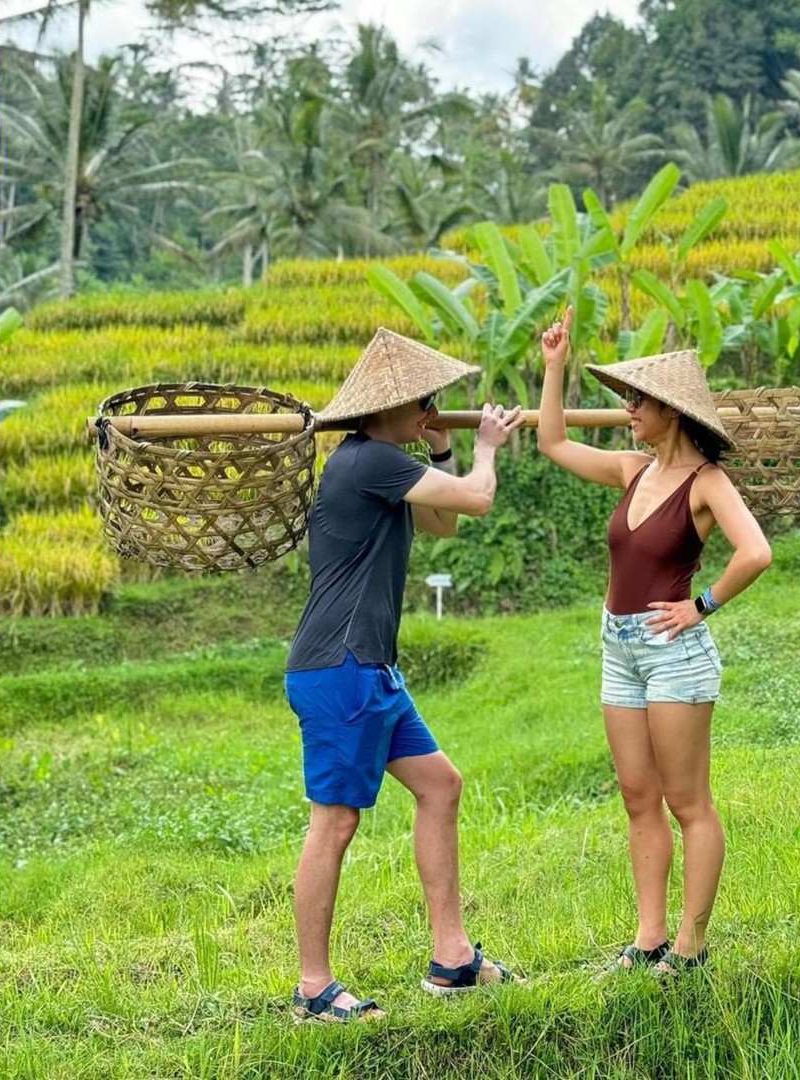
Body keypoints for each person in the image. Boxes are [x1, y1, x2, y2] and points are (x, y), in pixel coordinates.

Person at [284, 329, 524, 1021]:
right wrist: (485, 447)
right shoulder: (368, 460)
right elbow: (477, 500)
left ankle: (452, 958)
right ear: (386, 407)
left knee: (440, 786)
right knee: (335, 822)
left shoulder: (386, 464)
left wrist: (444, 448)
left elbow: (442, 524)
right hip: (341, 668)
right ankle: (313, 988)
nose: (431, 409)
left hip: (371, 669)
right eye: (423, 401)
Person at [537, 308, 772, 975]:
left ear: (672, 410)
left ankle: (692, 946)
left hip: (674, 654)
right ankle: (649, 938)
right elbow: (553, 443)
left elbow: (756, 552)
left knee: (686, 802)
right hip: (619, 649)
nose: (628, 409)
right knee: (638, 797)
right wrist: (554, 365)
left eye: (638, 400)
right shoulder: (631, 469)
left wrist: (701, 606)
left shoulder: (707, 482)